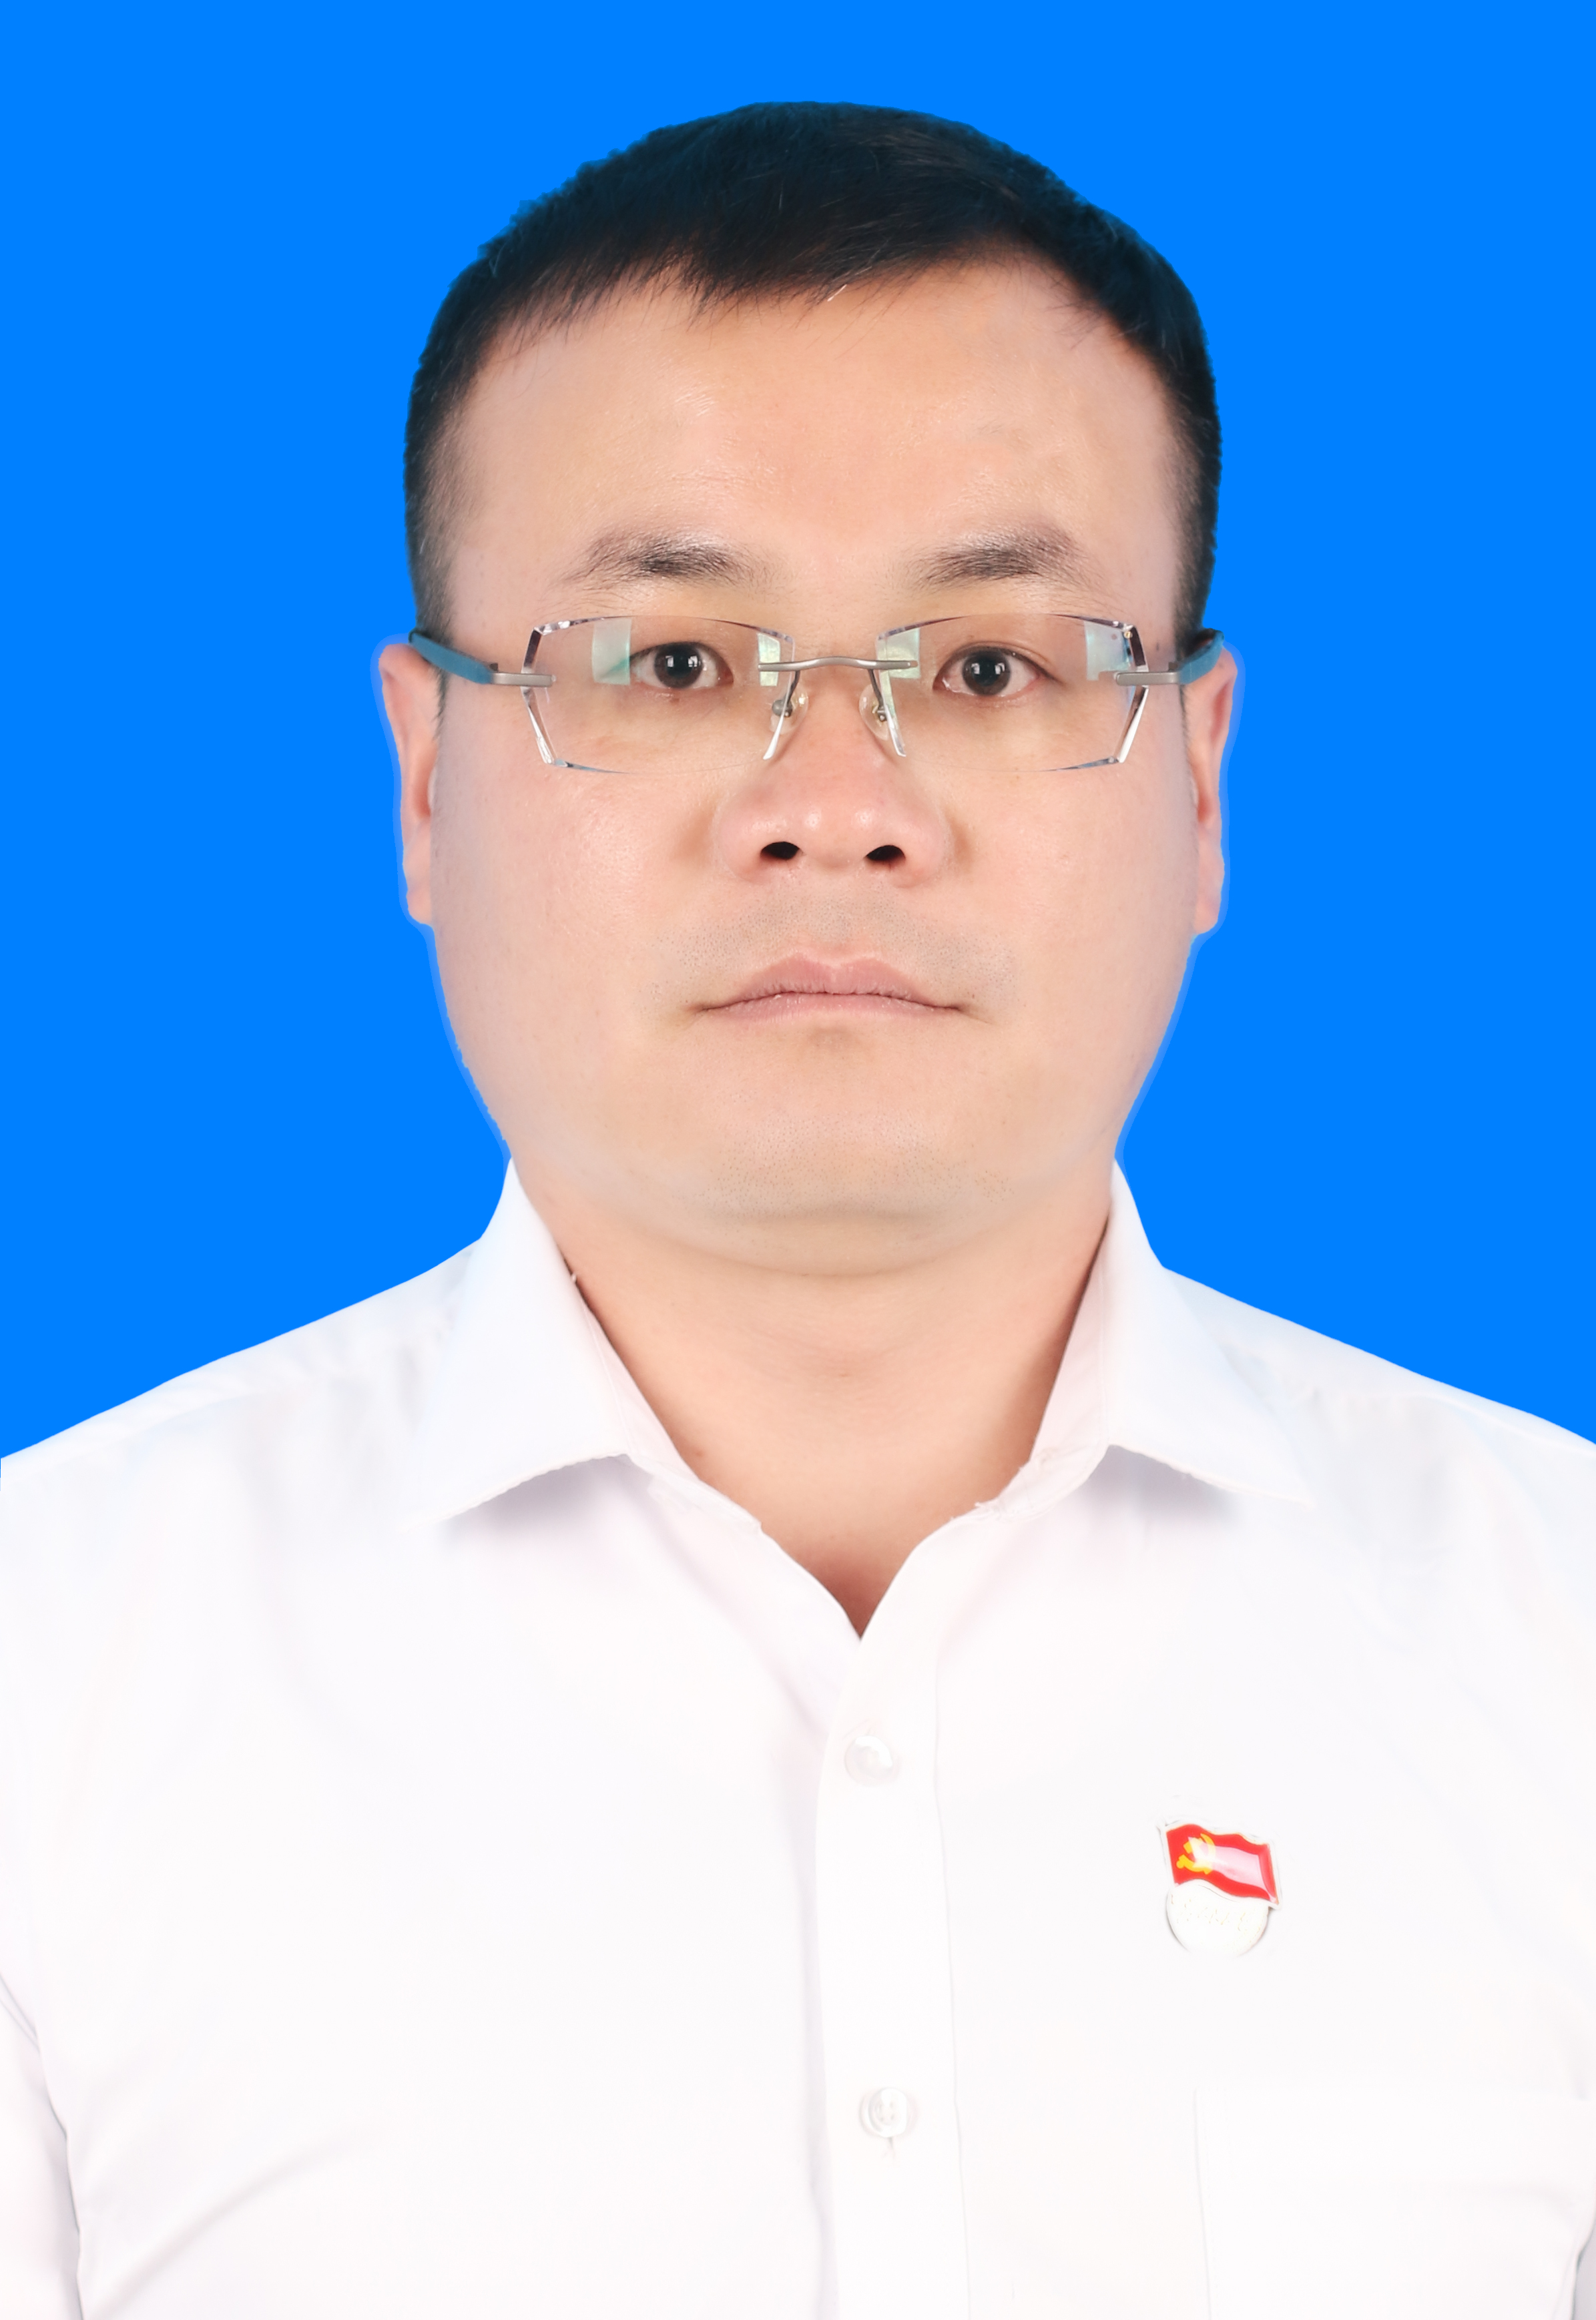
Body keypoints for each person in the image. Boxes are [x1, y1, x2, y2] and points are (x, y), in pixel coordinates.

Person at [1, 101, 1593, 2320]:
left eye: (989, 667)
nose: (836, 809)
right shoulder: (50, 1677)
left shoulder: (1556, 1649)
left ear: (1203, 774)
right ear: (428, 781)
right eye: (670, 667)